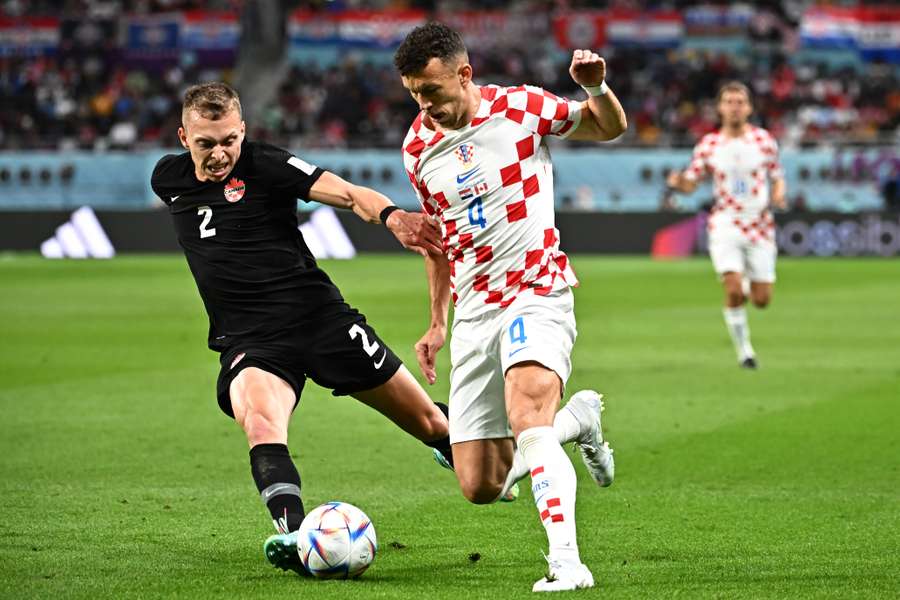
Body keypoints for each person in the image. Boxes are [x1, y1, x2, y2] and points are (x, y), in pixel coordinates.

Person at [149, 82, 454, 575]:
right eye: (207, 143)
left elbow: (348, 194)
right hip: (253, 340)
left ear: (242, 130)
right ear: (184, 137)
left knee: (431, 425)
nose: (221, 153)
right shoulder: (167, 178)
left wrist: (394, 216)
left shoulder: (266, 163)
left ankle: (456, 446)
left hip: (320, 320)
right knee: (262, 423)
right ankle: (292, 535)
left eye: (229, 139)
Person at [393, 23, 626, 592]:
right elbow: (438, 242)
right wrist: (436, 321)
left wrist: (597, 88)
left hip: (536, 287)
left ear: (464, 74)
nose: (426, 106)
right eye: (415, 95)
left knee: (527, 416)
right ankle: (581, 419)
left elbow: (608, 127)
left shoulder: (520, 107)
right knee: (480, 485)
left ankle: (568, 563)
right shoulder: (418, 149)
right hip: (475, 310)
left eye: (433, 91)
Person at [667, 81, 787, 369]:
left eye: (740, 102)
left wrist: (780, 193)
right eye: (729, 102)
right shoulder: (709, 145)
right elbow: (691, 182)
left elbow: (777, 175)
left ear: (749, 107)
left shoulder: (763, 141)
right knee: (733, 290)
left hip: (759, 224)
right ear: (720, 108)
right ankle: (745, 352)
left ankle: (747, 283)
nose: (734, 107)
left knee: (761, 300)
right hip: (725, 223)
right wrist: (678, 183)